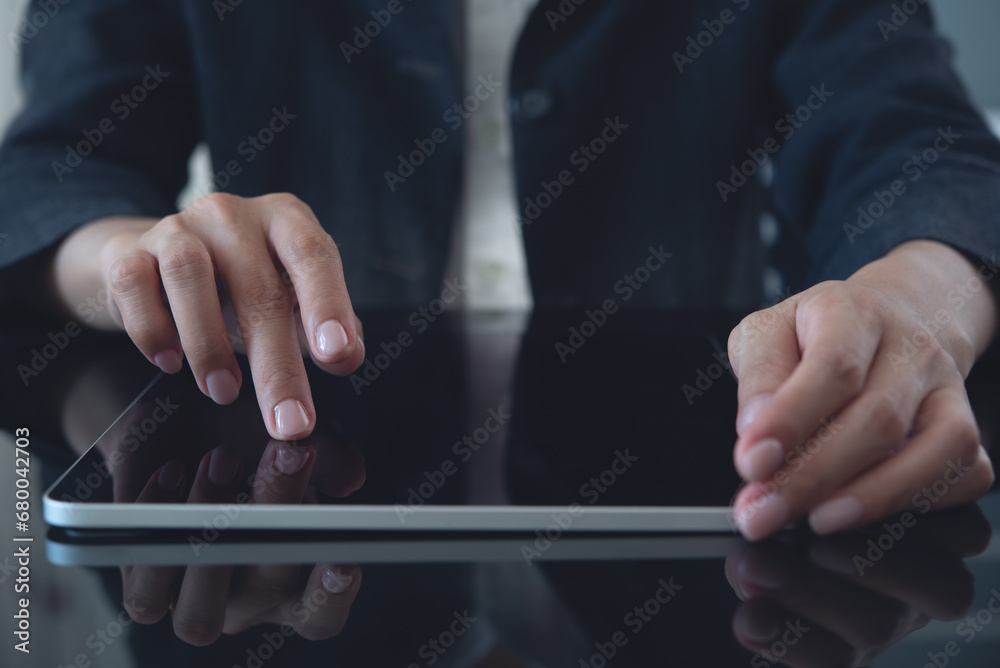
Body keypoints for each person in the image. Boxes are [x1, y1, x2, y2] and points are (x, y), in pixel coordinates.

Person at [0, 0, 997, 544]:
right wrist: (129, 259)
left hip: (706, 542)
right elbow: (49, 169)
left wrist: (921, 298)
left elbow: (919, 144)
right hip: (300, 560)